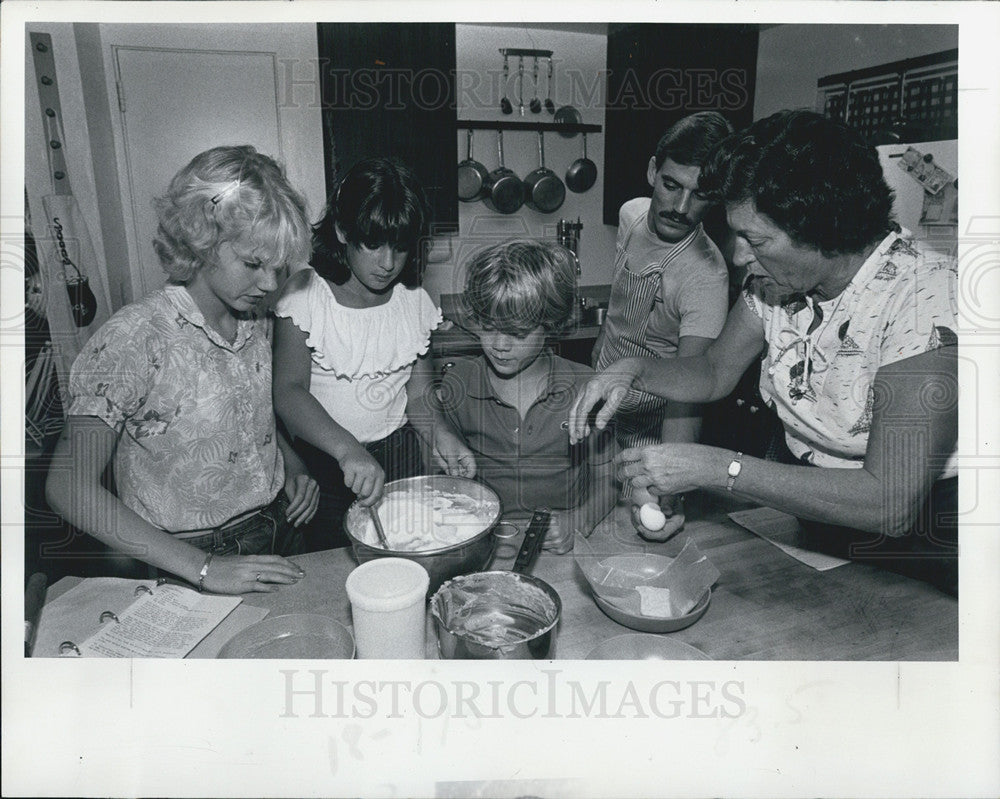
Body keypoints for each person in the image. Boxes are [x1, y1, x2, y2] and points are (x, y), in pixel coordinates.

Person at [569, 109, 958, 595]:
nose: (738, 256)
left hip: (928, 542)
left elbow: (889, 500)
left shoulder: (924, 297)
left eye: (754, 239)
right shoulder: (776, 284)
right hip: (815, 509)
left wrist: (716, 466)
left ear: (822, 229)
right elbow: (712, 371)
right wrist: (632, 370)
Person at [46, 145, 319, 595]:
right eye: (253, 264)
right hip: (182, 559)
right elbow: (66, 486)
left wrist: (289, 465)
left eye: (279, 267)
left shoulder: (257, 318)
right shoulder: (136, 335)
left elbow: (247, 416)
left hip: (277, 529)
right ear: (202, 241)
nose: (270, 284)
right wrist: (206, 567)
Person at [273, 157, 472, 551]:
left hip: (400, 459)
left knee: (404, 556)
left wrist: (442, 434)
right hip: (326, 464)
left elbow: (418, 395)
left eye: (400, 248)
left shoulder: (413, 301)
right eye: (373, 244)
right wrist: (347, 449)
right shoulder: (305, 294)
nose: (388, 263)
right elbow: (288, 392)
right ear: (343, 231)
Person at [591, 111, 733, 540]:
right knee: (577, 509)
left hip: (652, 426)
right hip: (602, 399)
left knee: (642, 529)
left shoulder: (707, 278)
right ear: (653, 170)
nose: (681, 207)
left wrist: (670, 483)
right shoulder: (631, 215)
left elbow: (691, 386)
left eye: (700, 194)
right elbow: (617, 312)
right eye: (672, 185)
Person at [436, 239, 617, 554]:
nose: (500, 345)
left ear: (550, 324)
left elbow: (609, 477)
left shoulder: (585, 387)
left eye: (518, 333)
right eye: (488, 328)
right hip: (487, 544)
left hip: (565, 545)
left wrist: (581, 520)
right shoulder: (459, 383)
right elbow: (442, 476)